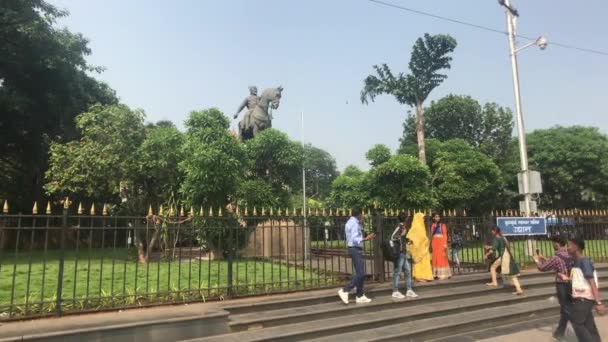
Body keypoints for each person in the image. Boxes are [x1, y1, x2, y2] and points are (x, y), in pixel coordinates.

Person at [560, 237, 605, 342]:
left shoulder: (584, 262)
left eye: (569, 245)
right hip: (581, 298)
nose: (567, 248)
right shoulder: (576, 262)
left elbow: (592, 282)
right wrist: (567, 278)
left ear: (576, 247)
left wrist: (599, 302)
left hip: (584, 298)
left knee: (576, 322)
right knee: (588, 325)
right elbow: (580, 279)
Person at [533, 236, 572, 341]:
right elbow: (559, 265)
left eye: (553, 243)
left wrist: (537, 260)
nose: (552, 245)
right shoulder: (570, 253)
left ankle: (567, 330)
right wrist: (545, 258)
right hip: (572, 283)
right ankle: (559, 332)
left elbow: (542, 268)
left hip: (562, 285)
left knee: (565, 309)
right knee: (567, 308)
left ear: (557, 244)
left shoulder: (556, 257)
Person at [338, 209, 376, 304]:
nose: (363, 216)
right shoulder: (354, 223)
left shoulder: (350, 222)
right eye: (362, 214)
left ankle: (360, 295)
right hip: (355, 248)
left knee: (360, 272)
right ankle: (345, 290)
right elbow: (355, 239)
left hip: (353, 249)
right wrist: (366, 238)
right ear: (359, 214)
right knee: (361, 273)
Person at [484, 226, 523, 295]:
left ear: (494, 231)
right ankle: (518, 289)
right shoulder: (503, 237)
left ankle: (494, 282)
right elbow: (501, 246)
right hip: (508, 256)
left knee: (492, 267)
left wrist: (486, 255)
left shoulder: (496, 238)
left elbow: (493, 250)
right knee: (512, 274)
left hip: (503, 257)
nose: (491, 232)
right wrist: (490, 247)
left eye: (492, 231)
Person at [390, 214, 419, 299]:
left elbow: (401, 238)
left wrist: (407, 240)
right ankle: (395, 291)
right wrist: (402, 235)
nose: (409, 219)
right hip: (399, 253)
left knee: (407, 271)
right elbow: (393, 237)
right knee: (397, 271)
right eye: (408, 218)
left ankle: (409, 290)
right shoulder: (400, 226)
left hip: (403, 253)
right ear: (405, 219)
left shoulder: (403, 226)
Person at [406, 212, 434, 282]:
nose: (423, 219)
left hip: (424, 248)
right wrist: (425, 239)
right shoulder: (416, 227)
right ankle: (419, 276)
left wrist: (425, 240)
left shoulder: (421, 226)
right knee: (420, 262)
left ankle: (425, 276)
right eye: (422, 218)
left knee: (425, 262)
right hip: (419, 249)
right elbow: (410, 237)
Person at [430, 213, 452, 280]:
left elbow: (445, 234)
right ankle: (436, 274)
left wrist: (445, 244)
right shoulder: (433, 225)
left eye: (438, 217)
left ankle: (443, 274)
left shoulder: (442, 225)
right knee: (435, 257)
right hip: (434, 242)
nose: (437, 218)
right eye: (436, 217)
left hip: (441, 242)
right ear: (433, 218)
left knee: (442, 257)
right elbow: (432, 235)